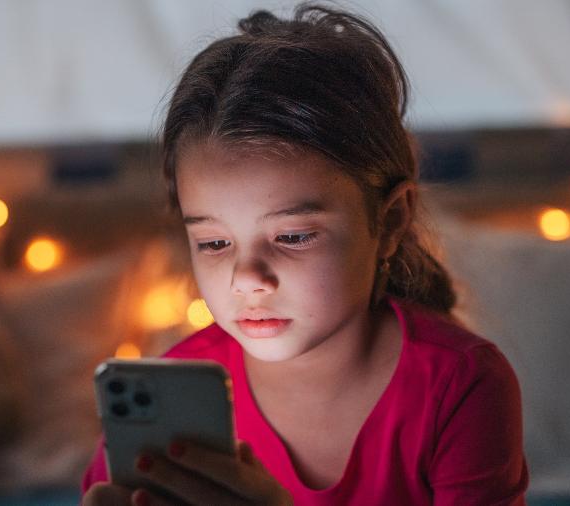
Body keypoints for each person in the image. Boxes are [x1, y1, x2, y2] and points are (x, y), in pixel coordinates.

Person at [81, 3, 528, 505]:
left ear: (390, 221)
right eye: (214, 243)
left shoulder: (460, 386)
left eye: (293, 236)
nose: (247, 277)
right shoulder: (172, 394)